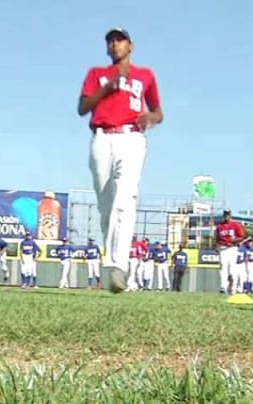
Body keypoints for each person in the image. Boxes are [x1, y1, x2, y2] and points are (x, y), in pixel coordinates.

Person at [78, 27, 163, 293]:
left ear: (130, 46)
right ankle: (112, 261)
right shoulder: (96, 74)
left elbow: (159, 110)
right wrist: (108, 88)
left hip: (131, 138)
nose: (115, 44)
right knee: (107, 209)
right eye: (111, 41)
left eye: (120, 40)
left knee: (125, 199)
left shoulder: (144, 75)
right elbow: (82, 108)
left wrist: (151, 117)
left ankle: (118, 267)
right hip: (102, 138)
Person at [215, 209, 246, 294]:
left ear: (230, 215)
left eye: (228, 215)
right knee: (223, 267)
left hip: (232, 248)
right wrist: (217, 246)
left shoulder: (236, 225)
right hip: (223, 248)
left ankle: (233, 288)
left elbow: (241, 236)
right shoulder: (219, 226)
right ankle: (223, 287)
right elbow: (217, 239)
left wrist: (234, 240)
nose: (226, 216)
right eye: (225, 215)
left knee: (232, 269)